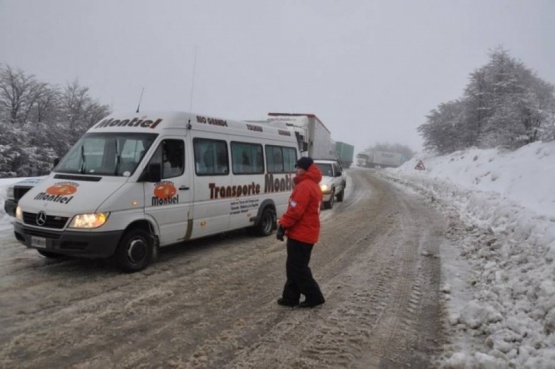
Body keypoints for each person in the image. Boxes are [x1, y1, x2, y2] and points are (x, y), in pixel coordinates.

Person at [276, 156, 326, 308]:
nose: (295, 170)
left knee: (298, 268)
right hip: (307, 232)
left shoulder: (304, 186)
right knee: (294, 267)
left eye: (297, 167)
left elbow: (295, 211)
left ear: (304, 169)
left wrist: (283, 225)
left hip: (301, 234)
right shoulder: (313, 185)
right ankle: (290, 297)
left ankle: (314, 296)